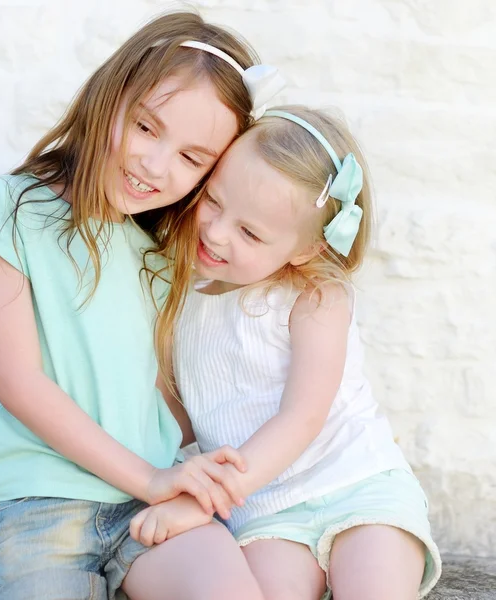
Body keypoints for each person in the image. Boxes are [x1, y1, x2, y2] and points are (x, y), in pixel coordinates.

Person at [0, 11, 284, 600]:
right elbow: (19, 384)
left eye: (192, 158)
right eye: (145, 127)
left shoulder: (164, 249)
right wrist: (156, 478)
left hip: (153, 507)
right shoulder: (10, 209)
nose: (155, 166)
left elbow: (162, 386)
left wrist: (186, 471)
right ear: (111, 94)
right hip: (42, 503)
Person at [130, 106, 442, 600]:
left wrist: (201, 502)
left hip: (356, 481)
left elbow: (302, 417)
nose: (215, 232)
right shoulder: (179, 294)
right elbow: (182, 415)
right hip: (263, 507)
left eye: (250, 232)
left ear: (308, 249)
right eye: (213, 200)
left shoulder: (316, 298)